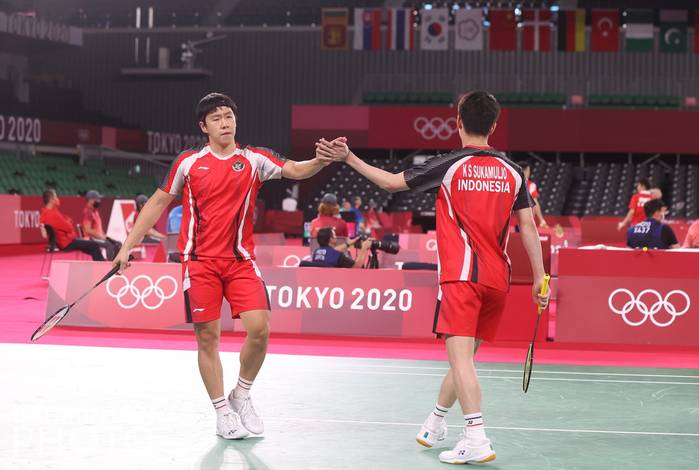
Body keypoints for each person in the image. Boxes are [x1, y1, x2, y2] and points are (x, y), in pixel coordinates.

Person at [316, 91, 549, 465]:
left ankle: (476, 438)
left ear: (457, 122)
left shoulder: (450, 164)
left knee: (461, 362)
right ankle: (435, 423)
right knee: (464, 362)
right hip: (497, 280)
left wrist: (349, 157)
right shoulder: (512, 171)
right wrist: (540, 277)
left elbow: (391, 184)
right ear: (493, 125)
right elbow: (528, 227)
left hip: (460, 278)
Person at [112, 92, 335, 440]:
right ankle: (221, 412)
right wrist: (128, 246)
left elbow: (294, 169)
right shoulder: (188, 162)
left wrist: (320, 160)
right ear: (204, 127)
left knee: (260, 329)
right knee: (207, 338)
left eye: (228, 116)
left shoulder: (254, 159)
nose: (225, 122)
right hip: (199, 262)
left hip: (240, 261)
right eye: (216, 118)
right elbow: (157, 203)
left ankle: (241, 395)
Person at [39, 189, 105, 261]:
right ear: (51, 200)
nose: (57, 199)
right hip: (67, 243)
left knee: (92, 248)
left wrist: (67, 222)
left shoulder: (44, 213)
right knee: (94, 245)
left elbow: (66, 221)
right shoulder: (53, 215)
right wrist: (68, 222)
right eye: (56, 197)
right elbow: (70, 228)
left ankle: (101, 263)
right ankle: (102, 265)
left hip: (63, 242)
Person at [81, 189, 121, 260]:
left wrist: (107, 237)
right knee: (110, 245)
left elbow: (99, 229)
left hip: (98, 237)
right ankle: (110, 264)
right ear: (91, 200)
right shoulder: (88, 212)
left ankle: (116, 262)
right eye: (97, 199)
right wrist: (101, 237)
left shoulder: (95, 212)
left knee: (117, 243)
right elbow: (87, 230)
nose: (99, 201)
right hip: (91, 239)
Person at [518, 162, 547, 228]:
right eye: (529, 170)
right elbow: (535, 202)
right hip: (526, 222)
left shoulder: (512, 182)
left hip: (511, 221)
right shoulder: (530, 185)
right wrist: (541, 220)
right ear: (526, 170)